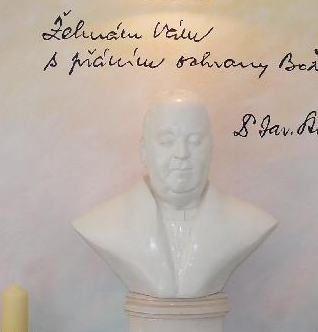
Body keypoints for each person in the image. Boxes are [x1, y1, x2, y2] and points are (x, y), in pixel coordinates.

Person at [73, 90, 277, 298]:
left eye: (195, 140)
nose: (182, 154)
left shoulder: (250, 223)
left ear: (211, 148)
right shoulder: (101, 224)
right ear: (144, 150)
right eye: (166, 141)